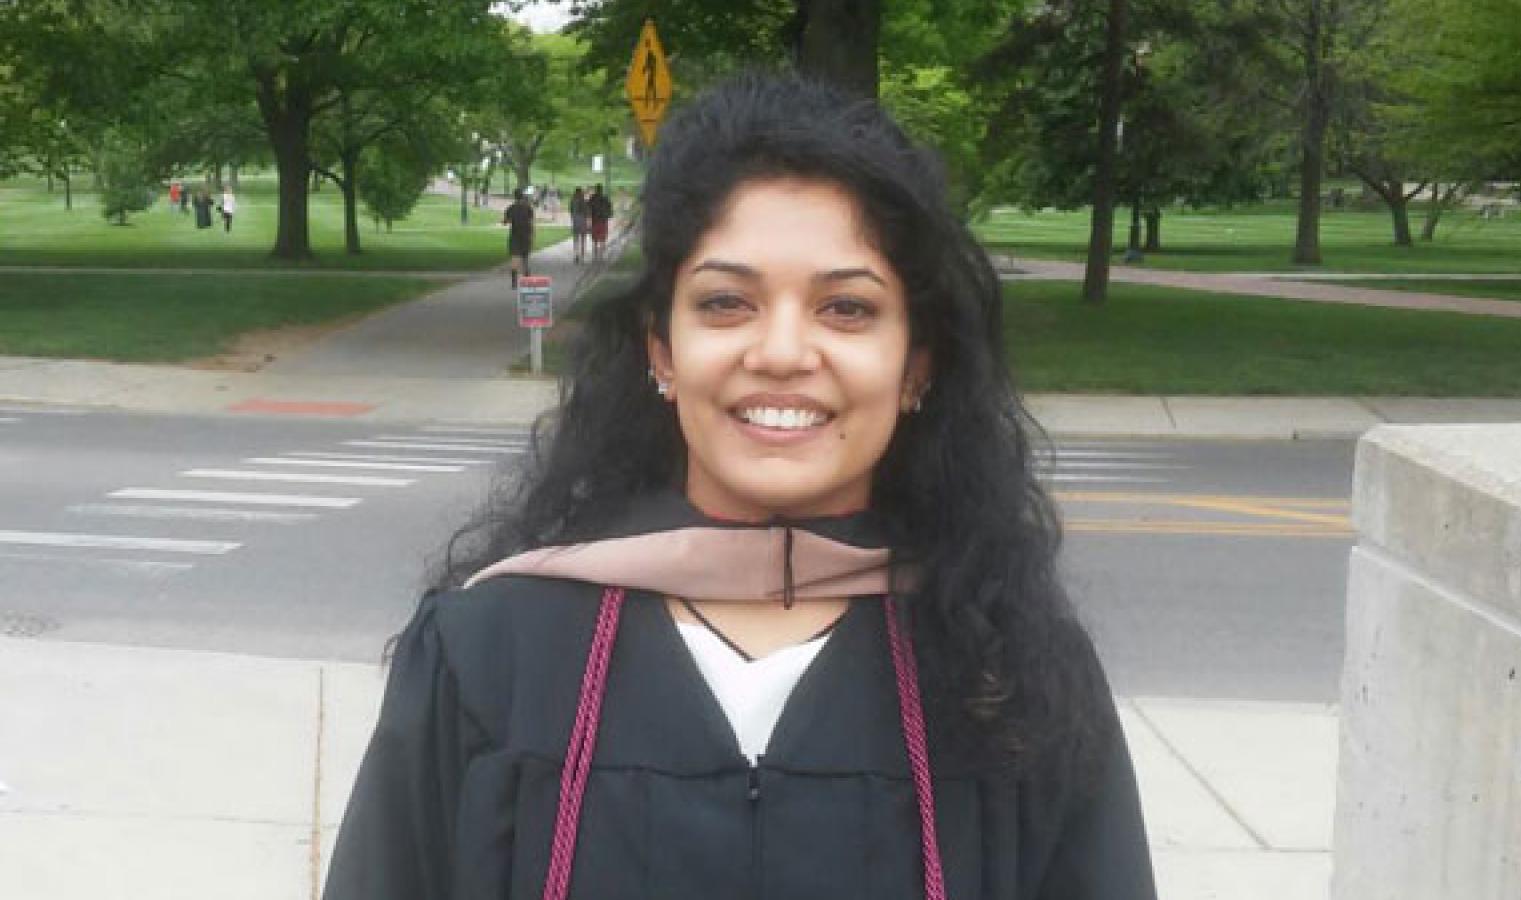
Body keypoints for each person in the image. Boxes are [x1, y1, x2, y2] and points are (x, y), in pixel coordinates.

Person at [324, 73, 1156, 900]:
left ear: (918, 366)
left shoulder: (1008, 674)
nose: (783, 351)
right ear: (662, 352)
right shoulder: (490, 655)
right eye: (727, 303)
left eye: (847, 309)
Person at [502, 187, 536, 288]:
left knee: (515, 258)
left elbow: (506, 221)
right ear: (523, 196)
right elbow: (532, 222)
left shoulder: (510, 208)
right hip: (526, 235)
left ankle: (514, 282)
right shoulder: (528, 208)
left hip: (515, 235)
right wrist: (533, 234)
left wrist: (504, 221)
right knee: (525, 258)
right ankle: (527, 280)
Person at [588, 183, 613, 262]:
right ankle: (601, 255)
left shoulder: (593, 198)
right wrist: (608, 215)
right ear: (601, 190)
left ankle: (595, 255)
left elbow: (588, 208)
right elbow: (610, 209)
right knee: (602, 238)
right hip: (603, 220)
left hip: (595, 220)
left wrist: (589, 216)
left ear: (596, 189)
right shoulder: (605, 199)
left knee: (595, 238)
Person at [568, 185, 589, 264]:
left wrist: (573, 218)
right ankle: (582, 255)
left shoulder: (572, 200)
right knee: (583, 238)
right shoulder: (583, 201)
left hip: (575, 220)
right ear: (581, 193)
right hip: (582, 220)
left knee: (576, 238)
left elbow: (570, 211)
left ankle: (576, 254)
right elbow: (586, 212)